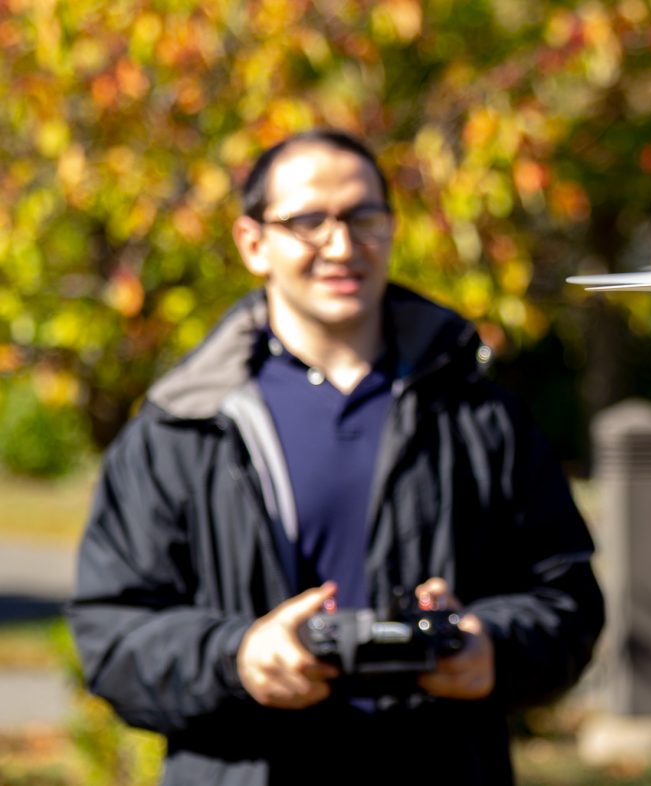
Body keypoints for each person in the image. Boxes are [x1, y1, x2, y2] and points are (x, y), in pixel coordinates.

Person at [66, 129, 604, 786]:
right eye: (309, 222)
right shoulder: (183, 425)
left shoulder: (479, 415)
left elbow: (568, 600)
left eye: (362, 218)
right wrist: (238, 657)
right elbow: (111, 633)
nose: (342, 246)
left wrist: (494, 648)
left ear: (391, 228)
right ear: (253, 243)